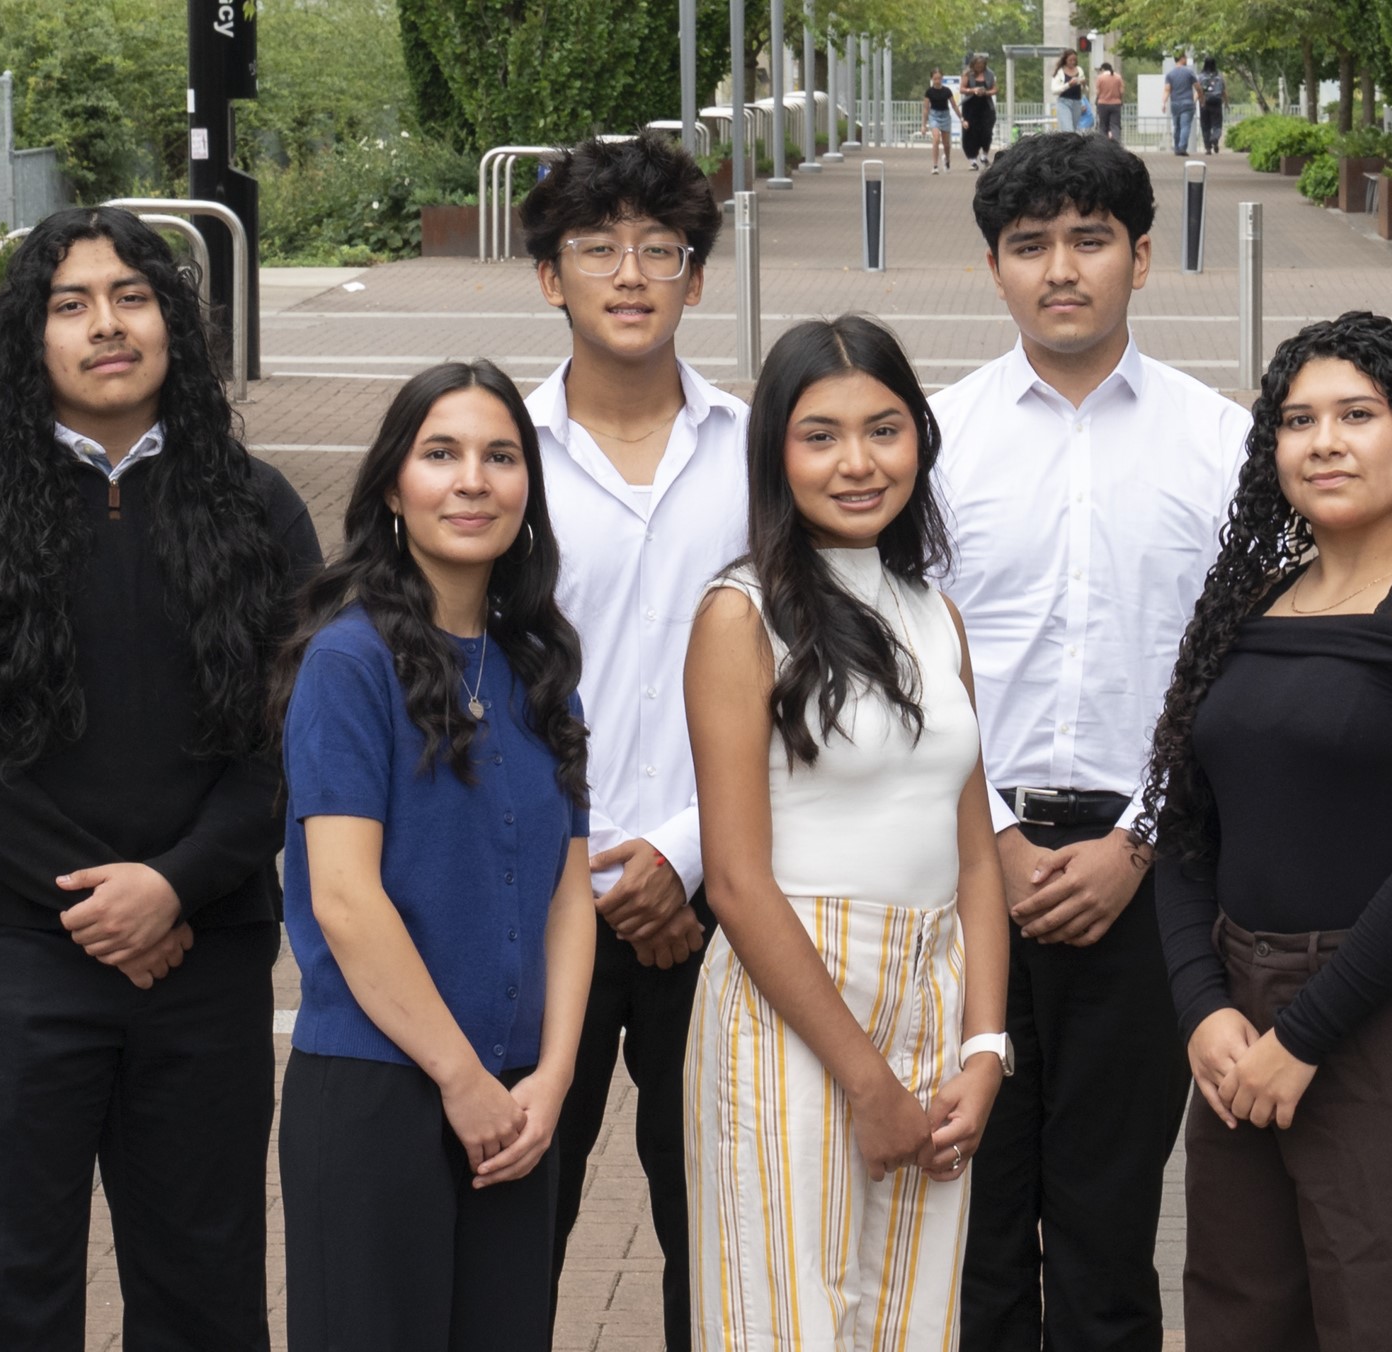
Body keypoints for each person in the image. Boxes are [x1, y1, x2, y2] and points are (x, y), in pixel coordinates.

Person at [0, 204, 319, 1351]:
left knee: (203, 1289)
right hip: (7, 961)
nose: (105, 324)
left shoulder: (259, 510)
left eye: (131, 296)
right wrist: (101, 896)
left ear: (173, 320)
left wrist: (174, 885)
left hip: (203, 958)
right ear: (34, 338)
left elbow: (294, 734)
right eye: (71, 304)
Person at [1139, 311, 1392, 1349]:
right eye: (1298, 419)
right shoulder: (1251, 604)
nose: (1324, 442)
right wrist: (1201, 1010)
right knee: (1241, 1315)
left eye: (1356, 414)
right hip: (1237, 1017)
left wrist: (1302, 1039)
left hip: (1386, 1017)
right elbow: (1185, 829)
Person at [931, 130, 1253, 1352]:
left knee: (1111, 1224)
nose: (1059, 269)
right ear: (995, 269)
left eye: (1088, 240)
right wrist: (995, 836)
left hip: (1147, 871)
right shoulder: (937, 438)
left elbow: (1228, 661)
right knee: (975, 1213)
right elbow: (915, 660)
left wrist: (1142, 837)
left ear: (1142, 256)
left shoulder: (1220, 442)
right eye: (1029, 246)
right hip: (970, 864)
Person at [683, 315, 1011, 1348]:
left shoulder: (932, 612)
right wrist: (868, 1081)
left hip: (935, 982)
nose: (858, 462)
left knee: (908, 1324)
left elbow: (972, 855)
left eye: (884, 428)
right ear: (775, 452)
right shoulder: (740, 615)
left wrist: (985, 1047)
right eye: (819, 435)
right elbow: (733, 880)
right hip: (794, 997)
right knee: (787, 1322)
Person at [270, 359, 599, 1349]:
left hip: (513, 1104)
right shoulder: (347, 661)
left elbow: (570, 895)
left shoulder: (540, 670)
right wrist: (463, 1081)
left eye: (501, 456)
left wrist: (551, 1078)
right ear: (391, 488)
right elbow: (343, 899)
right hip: (380, 1094)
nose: (472, 480)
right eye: (440, 453)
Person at [518, 133, 746, 1350]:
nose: (629, 273)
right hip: (535, 892)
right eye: (595, 247)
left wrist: (679, 854)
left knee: (714, 1226)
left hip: (716, 901)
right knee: (516, 1206)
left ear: (695, 278)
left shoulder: (761, 453)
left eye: (660, 249)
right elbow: (465, 682)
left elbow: (796, 683)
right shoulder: (491, 456)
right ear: (549, 277)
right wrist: (593, 860)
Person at [961, 54, 1000, 170]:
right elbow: (962, 89)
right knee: (970, 133)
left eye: (982, 65)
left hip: (985, 107)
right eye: (977, 65)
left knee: (986, 132)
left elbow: (995, 88)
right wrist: (973, 90)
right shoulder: (967, 74)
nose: (980, 67)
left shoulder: (990, 74)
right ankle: (972, 160)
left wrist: (987, 92)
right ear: (973, 65)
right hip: (971, 107)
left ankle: (984, 155)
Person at [1164, 54, 1199, 158]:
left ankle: (1177, 148)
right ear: (1182, 59)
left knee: (1177, 126)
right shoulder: (1189, 72)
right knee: (1185, 126)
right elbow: (1197, 86)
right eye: (1186, 58)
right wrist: (1200, 96)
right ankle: (1182, 147)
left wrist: (1163, 102)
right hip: (1187, 102)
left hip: (1175, 103)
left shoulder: (1170, 74)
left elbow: (1167, 90)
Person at [928, 69, 960, 172]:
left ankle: (947, 160)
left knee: (946, 144)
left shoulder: (947, 91)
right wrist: (923, 124)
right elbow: (925, 108)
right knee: (936, 139)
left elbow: (954, 105)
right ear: (932, 79)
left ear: (942, 78)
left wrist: (962, 118)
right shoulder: (929, 92)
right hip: (934, 115)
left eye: (939, 78)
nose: (937, 81)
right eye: (935, 79)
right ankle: (935, 166)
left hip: (945, 116)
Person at [1052, 51, 1089, 134]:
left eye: (1074, 60)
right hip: (1064, 102)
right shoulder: (1060, 71)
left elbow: (1085, 91)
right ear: (1065, 60)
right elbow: (1054, 90)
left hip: (1077, 103)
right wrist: (1068, 85)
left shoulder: (1079, 70)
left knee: (1074, 130)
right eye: (1070, 60)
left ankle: (1069, 146)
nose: (1073, 62)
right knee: (1068, 130)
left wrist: (1083, 84)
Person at [1197, 60, 1227, 154]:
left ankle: (1208, 148)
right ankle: (1214, 138)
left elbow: (1199, 90)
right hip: (1217, 102)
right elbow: (1223, 91)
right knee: (1217, 125)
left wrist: (1199, 101)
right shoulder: (1219, 77)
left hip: (1204, 102)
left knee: (1205, 126)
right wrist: (1226, 102)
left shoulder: (1201, 77)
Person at [1094, 62, 1126, 142]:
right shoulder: (1118, 77)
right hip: (1116, 104)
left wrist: (1097, 101)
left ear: (1103, 69)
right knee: (1115, 126)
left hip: (1103, 104)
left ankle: (1103, 145)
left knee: (1103, 126)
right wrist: (1120, 100)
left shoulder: (1100, 78)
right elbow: (1121, 91)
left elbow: (1098, 92)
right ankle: (1116, 145)